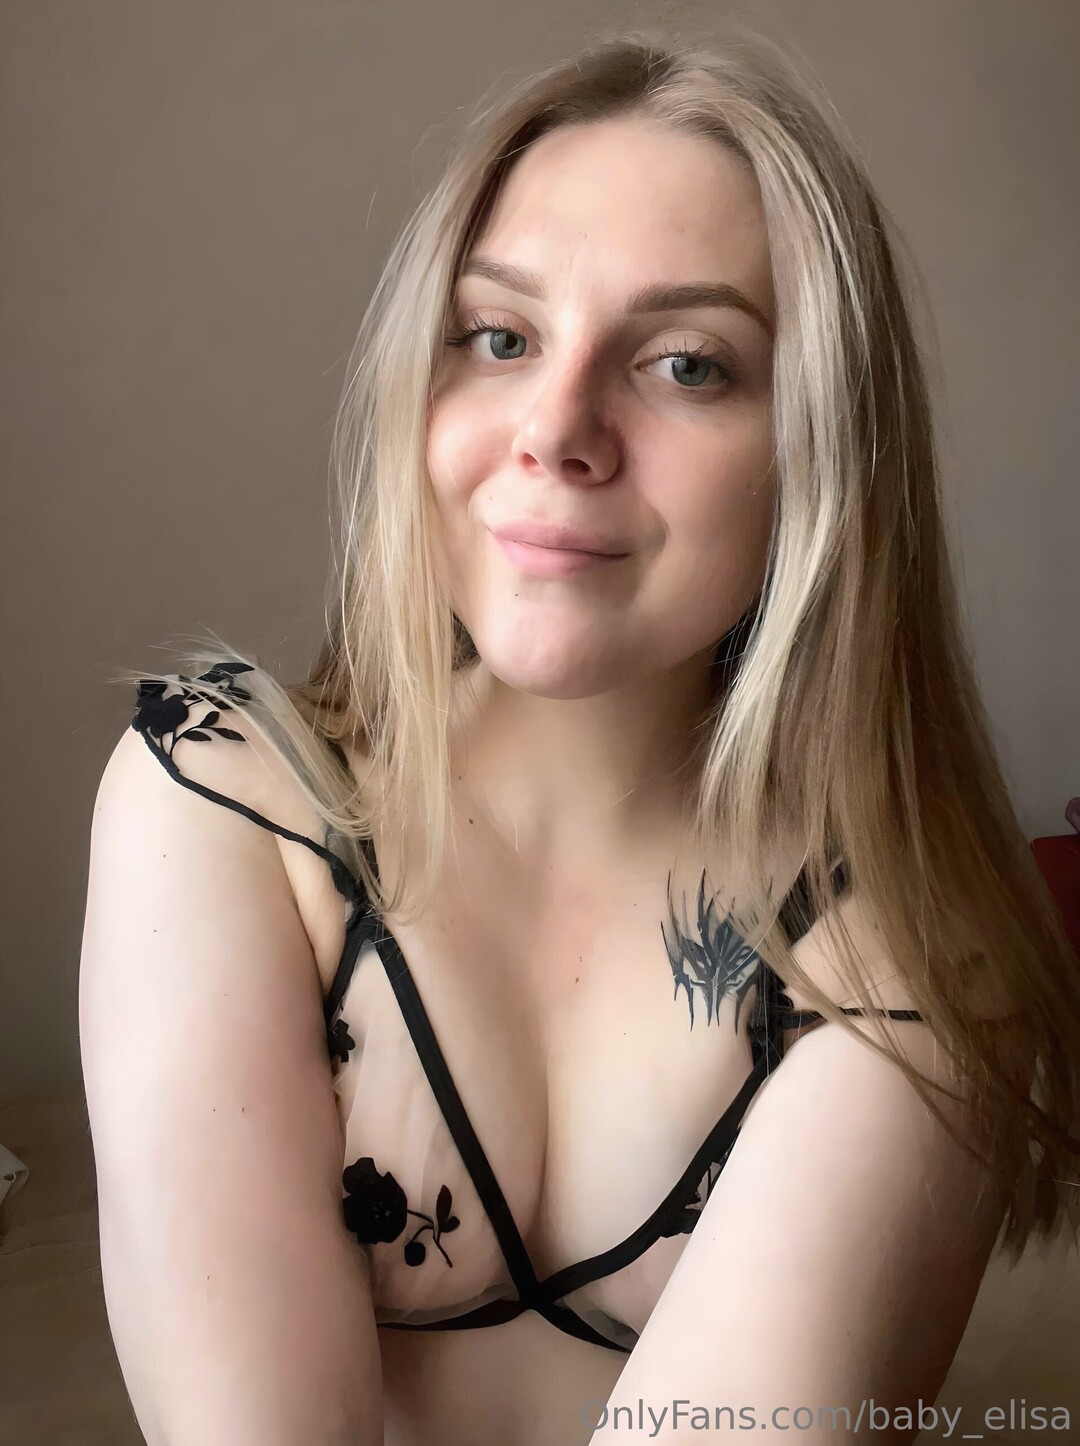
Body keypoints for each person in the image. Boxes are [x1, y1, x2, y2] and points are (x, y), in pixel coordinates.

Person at [78, 26, 1080, 1446]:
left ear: (821, 451)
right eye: (500, 337)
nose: (556, 428)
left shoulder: (909, 942)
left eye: (686, 365)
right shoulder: (224, 805)